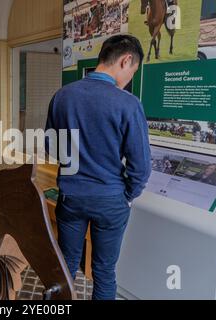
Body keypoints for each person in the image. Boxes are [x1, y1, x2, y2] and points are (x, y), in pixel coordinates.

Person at [45, 35, 151, 300]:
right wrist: (127, 195)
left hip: (71, 196)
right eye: (133, 71)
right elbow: (141, 167)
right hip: (110, 199)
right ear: (126, 60)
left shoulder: (62, 96)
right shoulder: (128, 103)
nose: (129, 79)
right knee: (103, 272)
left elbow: (51, 146)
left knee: (65, 264)